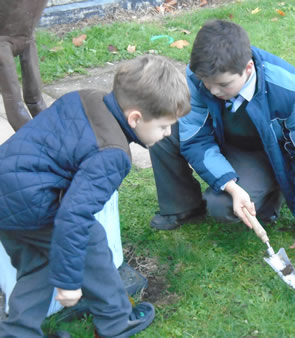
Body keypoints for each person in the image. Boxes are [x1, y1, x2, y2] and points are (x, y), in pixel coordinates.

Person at [0, 55, 191, 337]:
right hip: (32, 204)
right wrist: (68, 282)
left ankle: (18, 332)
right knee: (93, 242)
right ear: (135, 118)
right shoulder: (112, 153)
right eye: (164, 126)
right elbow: (74, 216)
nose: (168, 133)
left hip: (6, 191)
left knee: (37, 265)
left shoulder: (86, 97)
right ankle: (116, 320)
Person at [149, 19, 295, 266]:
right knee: (161, 131)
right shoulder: (197, 75)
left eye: (223, 85)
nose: (213, 91)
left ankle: (272, 193)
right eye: (207, 83)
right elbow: (195, 138)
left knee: (222, 206)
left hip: (264, 152)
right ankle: (182, 205)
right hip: (221, 135)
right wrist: (231, 186)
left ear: (248, 68)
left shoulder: (291, 90)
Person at [0, 0, 49, 131]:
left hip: (25, 33)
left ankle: (43, 128)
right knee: (15, 103)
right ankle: (29, 135)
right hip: (4, 41)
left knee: (35, 99)